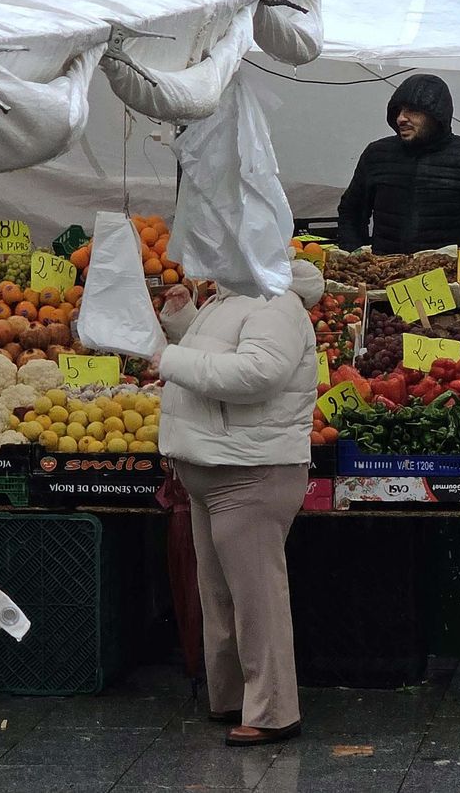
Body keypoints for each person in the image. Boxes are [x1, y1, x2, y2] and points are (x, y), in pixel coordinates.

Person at [155, 260, 322, 747]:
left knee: (257, 599)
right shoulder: (228, 297)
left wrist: (169, 359)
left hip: (251, 472)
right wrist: (184, 323)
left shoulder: (276, 302)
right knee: (222, 595)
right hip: (212, 465)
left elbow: (258, 373)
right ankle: (230, 697)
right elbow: (217, 360)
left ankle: (273, 711)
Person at [337, 73, 460, 254]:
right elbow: (350, 212)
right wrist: (357, 258)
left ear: (436, 114)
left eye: (412, 110)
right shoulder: (377, 155)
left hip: (450, 280)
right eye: (398, 111)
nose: (401, 118)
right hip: (386, 276)